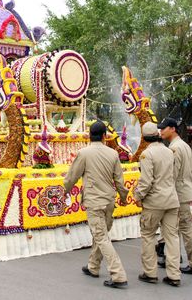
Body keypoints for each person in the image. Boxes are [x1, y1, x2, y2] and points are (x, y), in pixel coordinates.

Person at [64, 120, 130, 289]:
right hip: (109, 201)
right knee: (101, 235)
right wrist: (123, 198)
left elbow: (72, 177)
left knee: (101, 237)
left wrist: (65, 191)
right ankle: (93, 266)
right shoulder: (113, 154)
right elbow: (120, 181)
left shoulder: (84, 153)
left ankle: (118, 274)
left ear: (89, 135)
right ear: (104, 136)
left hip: (94, 201)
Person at [133, 122, 181, 287]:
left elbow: (146, 181)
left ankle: (150, 273)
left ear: (144, 137)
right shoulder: (169, 151)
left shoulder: (147, 154)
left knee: (148, 235)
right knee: (172, 237)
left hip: (154, 203)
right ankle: (174, 275)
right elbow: (173, 175)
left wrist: (138, 196)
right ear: (158, 134)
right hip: (171, 200)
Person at [158, 117, 192, 276]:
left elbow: (173, 174)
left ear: (172, 128)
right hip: (186, 191)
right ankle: (183, 261)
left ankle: (190, 263)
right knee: (181, 229)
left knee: (179, 229)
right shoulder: (184, 145)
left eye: (163, 128)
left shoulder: (175, 148)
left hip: (178, 194)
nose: (161, 131)